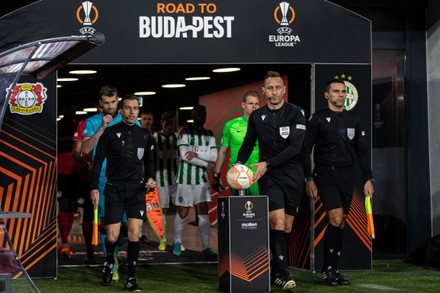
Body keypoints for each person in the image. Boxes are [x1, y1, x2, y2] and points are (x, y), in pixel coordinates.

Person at [236, 71, 306, 291]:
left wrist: (268, 163)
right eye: (270, 88)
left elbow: (295, 148)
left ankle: (277, 269)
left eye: (278, 87)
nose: (274, 92)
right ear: (264, 91)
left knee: (287, 226)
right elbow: (248, 143)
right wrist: (238, 164)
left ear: (283, 89)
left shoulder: (296, 113)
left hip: (293, 174)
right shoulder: (257, 117)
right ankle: (282, 274)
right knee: (276, 221)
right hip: (270, 177)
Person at [301, 78, 374, 286]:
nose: (340, 95)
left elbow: (362, 151)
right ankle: (328, 270)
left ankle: (332, 268)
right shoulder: (317, 119)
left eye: (343, 92)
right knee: (335, 218)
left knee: (341, 222)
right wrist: (309, 179)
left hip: (346, 176)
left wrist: (368, 179)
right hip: (325, 175)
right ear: (327, 95)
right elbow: (305, 151)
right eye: (336, 91)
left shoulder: (353, 119)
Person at [90, 94, 156, 291]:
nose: (131, 112)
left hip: (137, 189)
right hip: (114, 189)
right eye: (127, 108)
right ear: (121, 110)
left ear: (138, 111)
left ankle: (131, 279)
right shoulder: (109, 134)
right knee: (112, 237)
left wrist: (151, 178)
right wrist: (94, 187)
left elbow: (150, 162)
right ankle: (110, 261)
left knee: (135, 233)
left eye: (135, 108)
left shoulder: (145, 135)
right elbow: (97, 161)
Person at [82, 85, 129, 281]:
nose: (110, 106)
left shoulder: (127, 120)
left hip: (127, 179)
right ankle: (112, 261)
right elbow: (85, 148)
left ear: (118, 100)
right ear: (100, 103)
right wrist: (102, 127)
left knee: (129, 226)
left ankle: (114, 250)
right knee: (106, 223)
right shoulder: (92, 122)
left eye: (113, 102)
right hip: (102, 179)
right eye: (106, 103)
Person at [173, 105, 218, 260]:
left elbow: (214, 155)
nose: (201, 116)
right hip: (185, 179)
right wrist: (206, 164)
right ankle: (178, 241)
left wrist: (197, 153)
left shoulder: (209, 134)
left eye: (204, 113)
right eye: (198, 113)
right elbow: (185, 155)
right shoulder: (184, 132)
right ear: (193, 115)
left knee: (203, 212)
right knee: (183, 212)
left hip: (201, 180)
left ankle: (206, 247)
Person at [212, 90, 260, 195]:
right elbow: (223, 152)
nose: (254, 106)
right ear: (243, 105)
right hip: (237, 174)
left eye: (256, 104)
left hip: (259, 174)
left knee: (260, 208)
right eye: (251, 103)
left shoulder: (264, 125)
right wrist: (217, 175)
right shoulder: (231, 125)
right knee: (240, 208)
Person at [153, 111, 179, 251]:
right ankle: (162, 239)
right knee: (162, 211)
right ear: (162, 123)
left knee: (181, 209)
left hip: (175, 179)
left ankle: (178, 240)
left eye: (172, 124)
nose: (169, 127)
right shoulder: (155, 138)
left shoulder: (177, 137)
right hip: (160, 179)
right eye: (167, 124)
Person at [57, 105, 80, 258]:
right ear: (63, 111)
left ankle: (65, 240)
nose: (71, 113)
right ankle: (64, 241)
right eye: (68, 110)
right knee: (64, 203)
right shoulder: (57, 126)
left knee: (72, 204)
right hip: (60, 170)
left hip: (76, 170)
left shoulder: (78, 126)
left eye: (73, 111)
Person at [72, 116, 95, 264]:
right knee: (88, 217)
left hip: (111, 179)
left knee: (113, 219)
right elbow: (76, 152)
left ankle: (112, 254)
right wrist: (84, 162)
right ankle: (90, 251)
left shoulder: (118, 121)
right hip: (88, 179)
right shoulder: (84, 124)